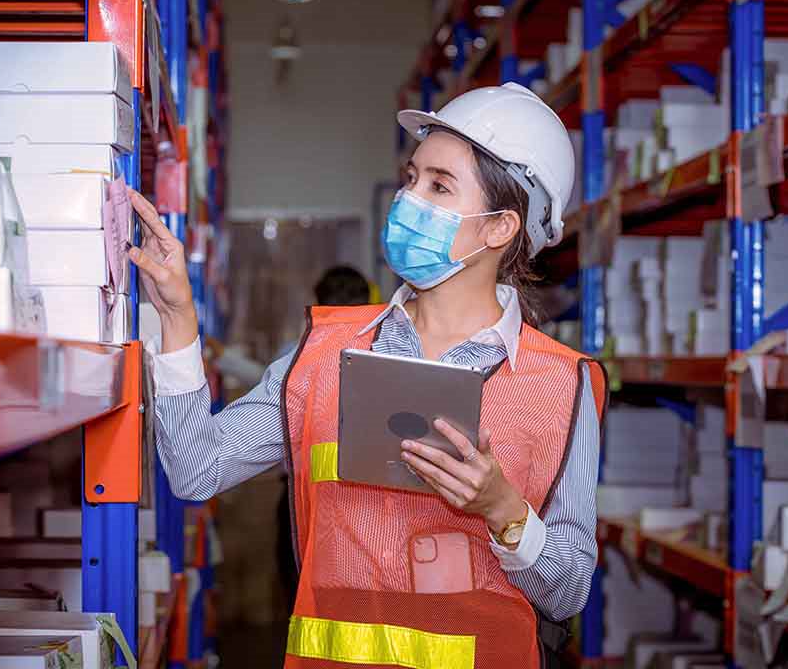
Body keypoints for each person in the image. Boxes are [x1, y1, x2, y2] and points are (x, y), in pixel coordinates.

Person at [133, 82, 606, 668]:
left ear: (499, 227)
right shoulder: (325, 351)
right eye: (412, 178)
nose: (408, 199)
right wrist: (178, 320)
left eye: (439, 185)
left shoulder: (561, 384)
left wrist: (503, 510)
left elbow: (570, 590)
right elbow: (195, 469)